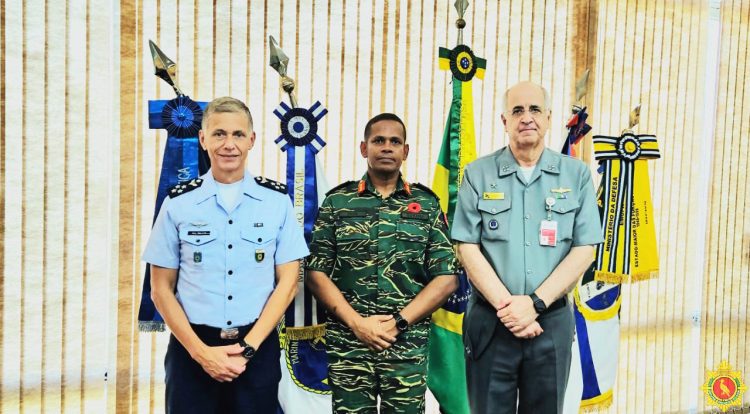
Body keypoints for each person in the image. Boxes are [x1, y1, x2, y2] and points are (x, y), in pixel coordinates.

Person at [143, 96, 308, 413]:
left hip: (256, 349)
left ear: (252, 140)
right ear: (203, 139)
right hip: (191, 351)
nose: (228, 144)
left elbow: (288, 283)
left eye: (237, 134)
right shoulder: (178, 203)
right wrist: (202, 353)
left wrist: (247, 348)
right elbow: (160, 289)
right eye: (219, 134)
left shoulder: (276, 201)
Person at [451, 81, 604, 414]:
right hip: (491, 324)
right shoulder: (477, 174)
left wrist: (534, 304)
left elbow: (585, 249)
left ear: (548, 118)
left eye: (535, 109)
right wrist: (511, 309)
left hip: (550, 324)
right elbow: (466, 247)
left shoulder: (576, 175)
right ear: (504, 121)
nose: (526, 118)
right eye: (517, 110)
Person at [306, 113, 459, 413]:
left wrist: (399, 322)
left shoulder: (427, 205)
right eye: (378, 141)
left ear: (406, 151)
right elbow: (315, 273)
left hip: (406, 344)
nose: (386, 147)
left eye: (395, 141)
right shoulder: (338, 202)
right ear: (364, 148)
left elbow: (447, 278)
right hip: (349, 343)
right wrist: (358, 324)